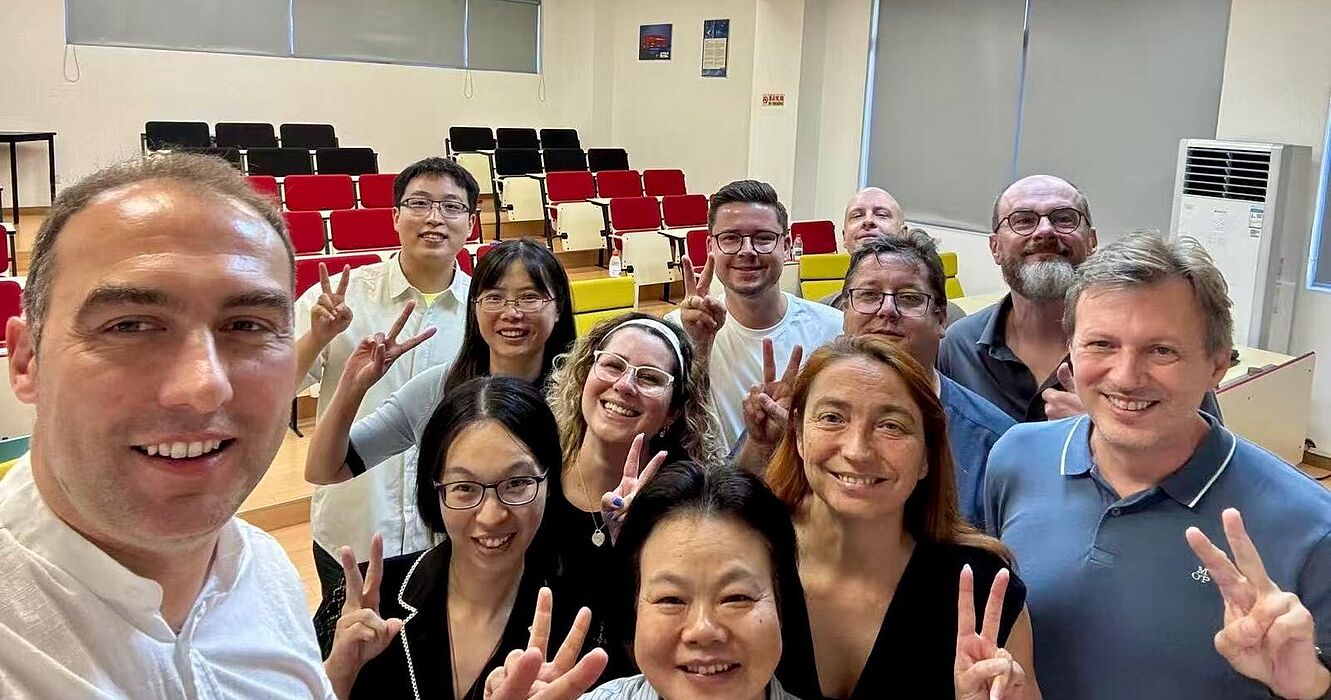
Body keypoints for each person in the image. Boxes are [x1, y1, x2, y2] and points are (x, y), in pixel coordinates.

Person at [0, 153, 331, 695]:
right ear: (27, 362)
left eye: (247, 324)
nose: (204, 387)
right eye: (130, 326)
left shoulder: (265, 571)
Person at [984, 233, 1331, 699]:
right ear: (1071, 348)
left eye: (1162, 350)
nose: (1126, 377)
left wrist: (1311, 688)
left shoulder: (1310, 527)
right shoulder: (1015, 459)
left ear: (1218, 364)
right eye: (1101, 344)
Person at [766, 335, 1039, 699]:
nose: (857, 450)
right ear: (799, 435)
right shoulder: (747, 555)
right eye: (832, 418)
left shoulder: (982, 589)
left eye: (891, 426)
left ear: (928, 454)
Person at [304, 240, 575, 574]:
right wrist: (352, 387)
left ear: (559, 307)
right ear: (473, 308)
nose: (511, 312)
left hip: (560, 576)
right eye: (494, 297)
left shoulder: (581, 396)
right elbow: (324, 469)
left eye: (530, 297)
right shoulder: (438, 389)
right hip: (463, 581)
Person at [321, 376, 582, 699]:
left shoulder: (581, 617)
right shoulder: (365, 601)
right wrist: (337, 675)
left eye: (517, 483)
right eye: (464, 488)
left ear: (549, 482)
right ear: (435, 491)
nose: (491, 516)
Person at [735, 232, 1013, 527]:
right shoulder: (796, 409)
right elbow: (731, 520)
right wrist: (762, 445)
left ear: (942, 318)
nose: (887, 311)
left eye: (909, 298)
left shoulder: (995, 442)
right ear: (843, 313)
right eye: (869, 296)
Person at [295, 156, 478, 592]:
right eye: (419, 203)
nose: (435, 218)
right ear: (395, 216)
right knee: (349, 651)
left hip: (447, 528)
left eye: (451, 207)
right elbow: (277, 388)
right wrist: (317, 337)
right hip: (354, 522)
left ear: (471, 224)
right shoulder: (341, 298)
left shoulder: (483, 309)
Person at [546, 313, 724, 660]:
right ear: (584, 377)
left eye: (650, 377)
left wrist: (633, 547)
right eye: (613, 365)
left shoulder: (684, 510)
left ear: (673, 413)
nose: (625, 385)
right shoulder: (533, 478)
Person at [668, 179, 842, 450]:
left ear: (786, 246)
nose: (746, 250)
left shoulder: (833, 330)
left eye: (763, 238)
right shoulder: (678, 330)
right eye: (730, 238)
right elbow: (675, 425)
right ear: (710, 247)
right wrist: (697, 346)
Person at [936, 174, 1098, 422]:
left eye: (1064, 218)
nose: (1045, 231)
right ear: (995, 248)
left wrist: (1106, 428)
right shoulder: (959, 347)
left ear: (1091, 241)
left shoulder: (1129, 349)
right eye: (1023, 220)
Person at [823, 191, 967, 325]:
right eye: (857, 216)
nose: (868, 221)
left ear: (903, 233)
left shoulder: (949, 320)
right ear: (844, 237)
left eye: (881, 214)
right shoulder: (822, 314)